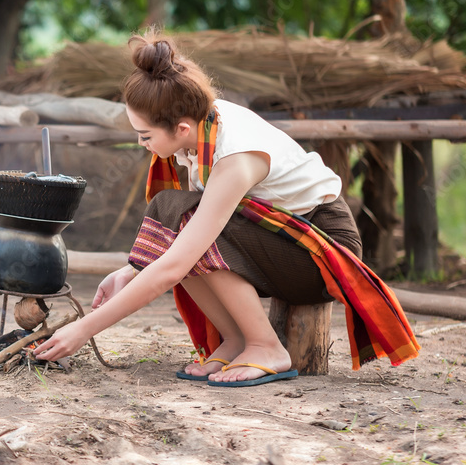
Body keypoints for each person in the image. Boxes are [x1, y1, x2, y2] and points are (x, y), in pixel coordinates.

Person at [34, 30, 419, 386]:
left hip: (321, 251)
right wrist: (130, 269)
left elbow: (177, 262)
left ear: (181, 128)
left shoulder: (235, 154)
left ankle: (266, 346)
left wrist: (85, 329)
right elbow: (181, 237)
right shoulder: (203, 126)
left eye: (145, 135)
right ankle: (237, 341)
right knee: (172, 211)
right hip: (277, 236)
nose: (141, 144)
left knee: (184, 223)